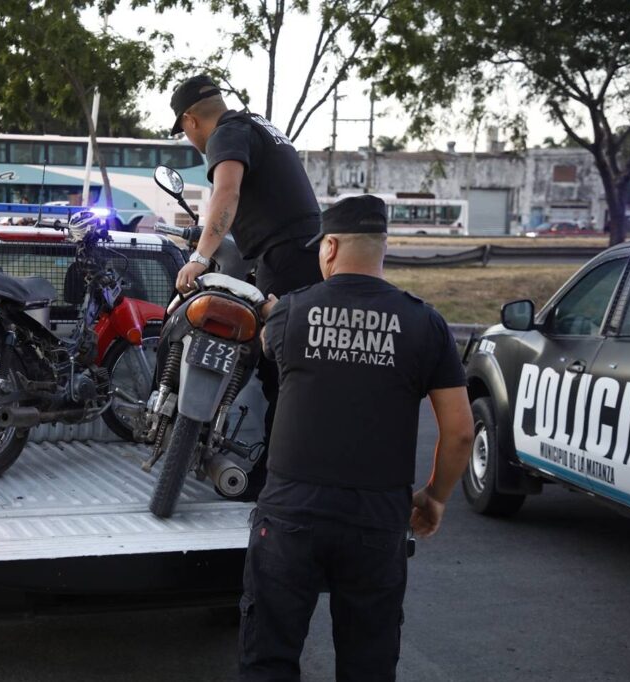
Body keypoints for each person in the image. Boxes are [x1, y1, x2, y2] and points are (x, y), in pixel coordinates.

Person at [238, 195, 475, 681]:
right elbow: (460, 433)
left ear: (329, 247)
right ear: (382, 249)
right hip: (376, 518)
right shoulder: (425, 323)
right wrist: (434, 497)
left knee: (269, 658)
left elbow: (267, 345)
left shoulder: (291, 314)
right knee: (368, 663)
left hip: (290, 514)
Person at [168, 75, 325, 491]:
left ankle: (271, 480)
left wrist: (201, 257)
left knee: (280, 370)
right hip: (308, 255)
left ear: (190, 120)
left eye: (183, 130)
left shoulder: (227, 133)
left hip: (288, 258)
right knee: (287, 367)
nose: (189, 138)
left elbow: (227, 192)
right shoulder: (257, 125)